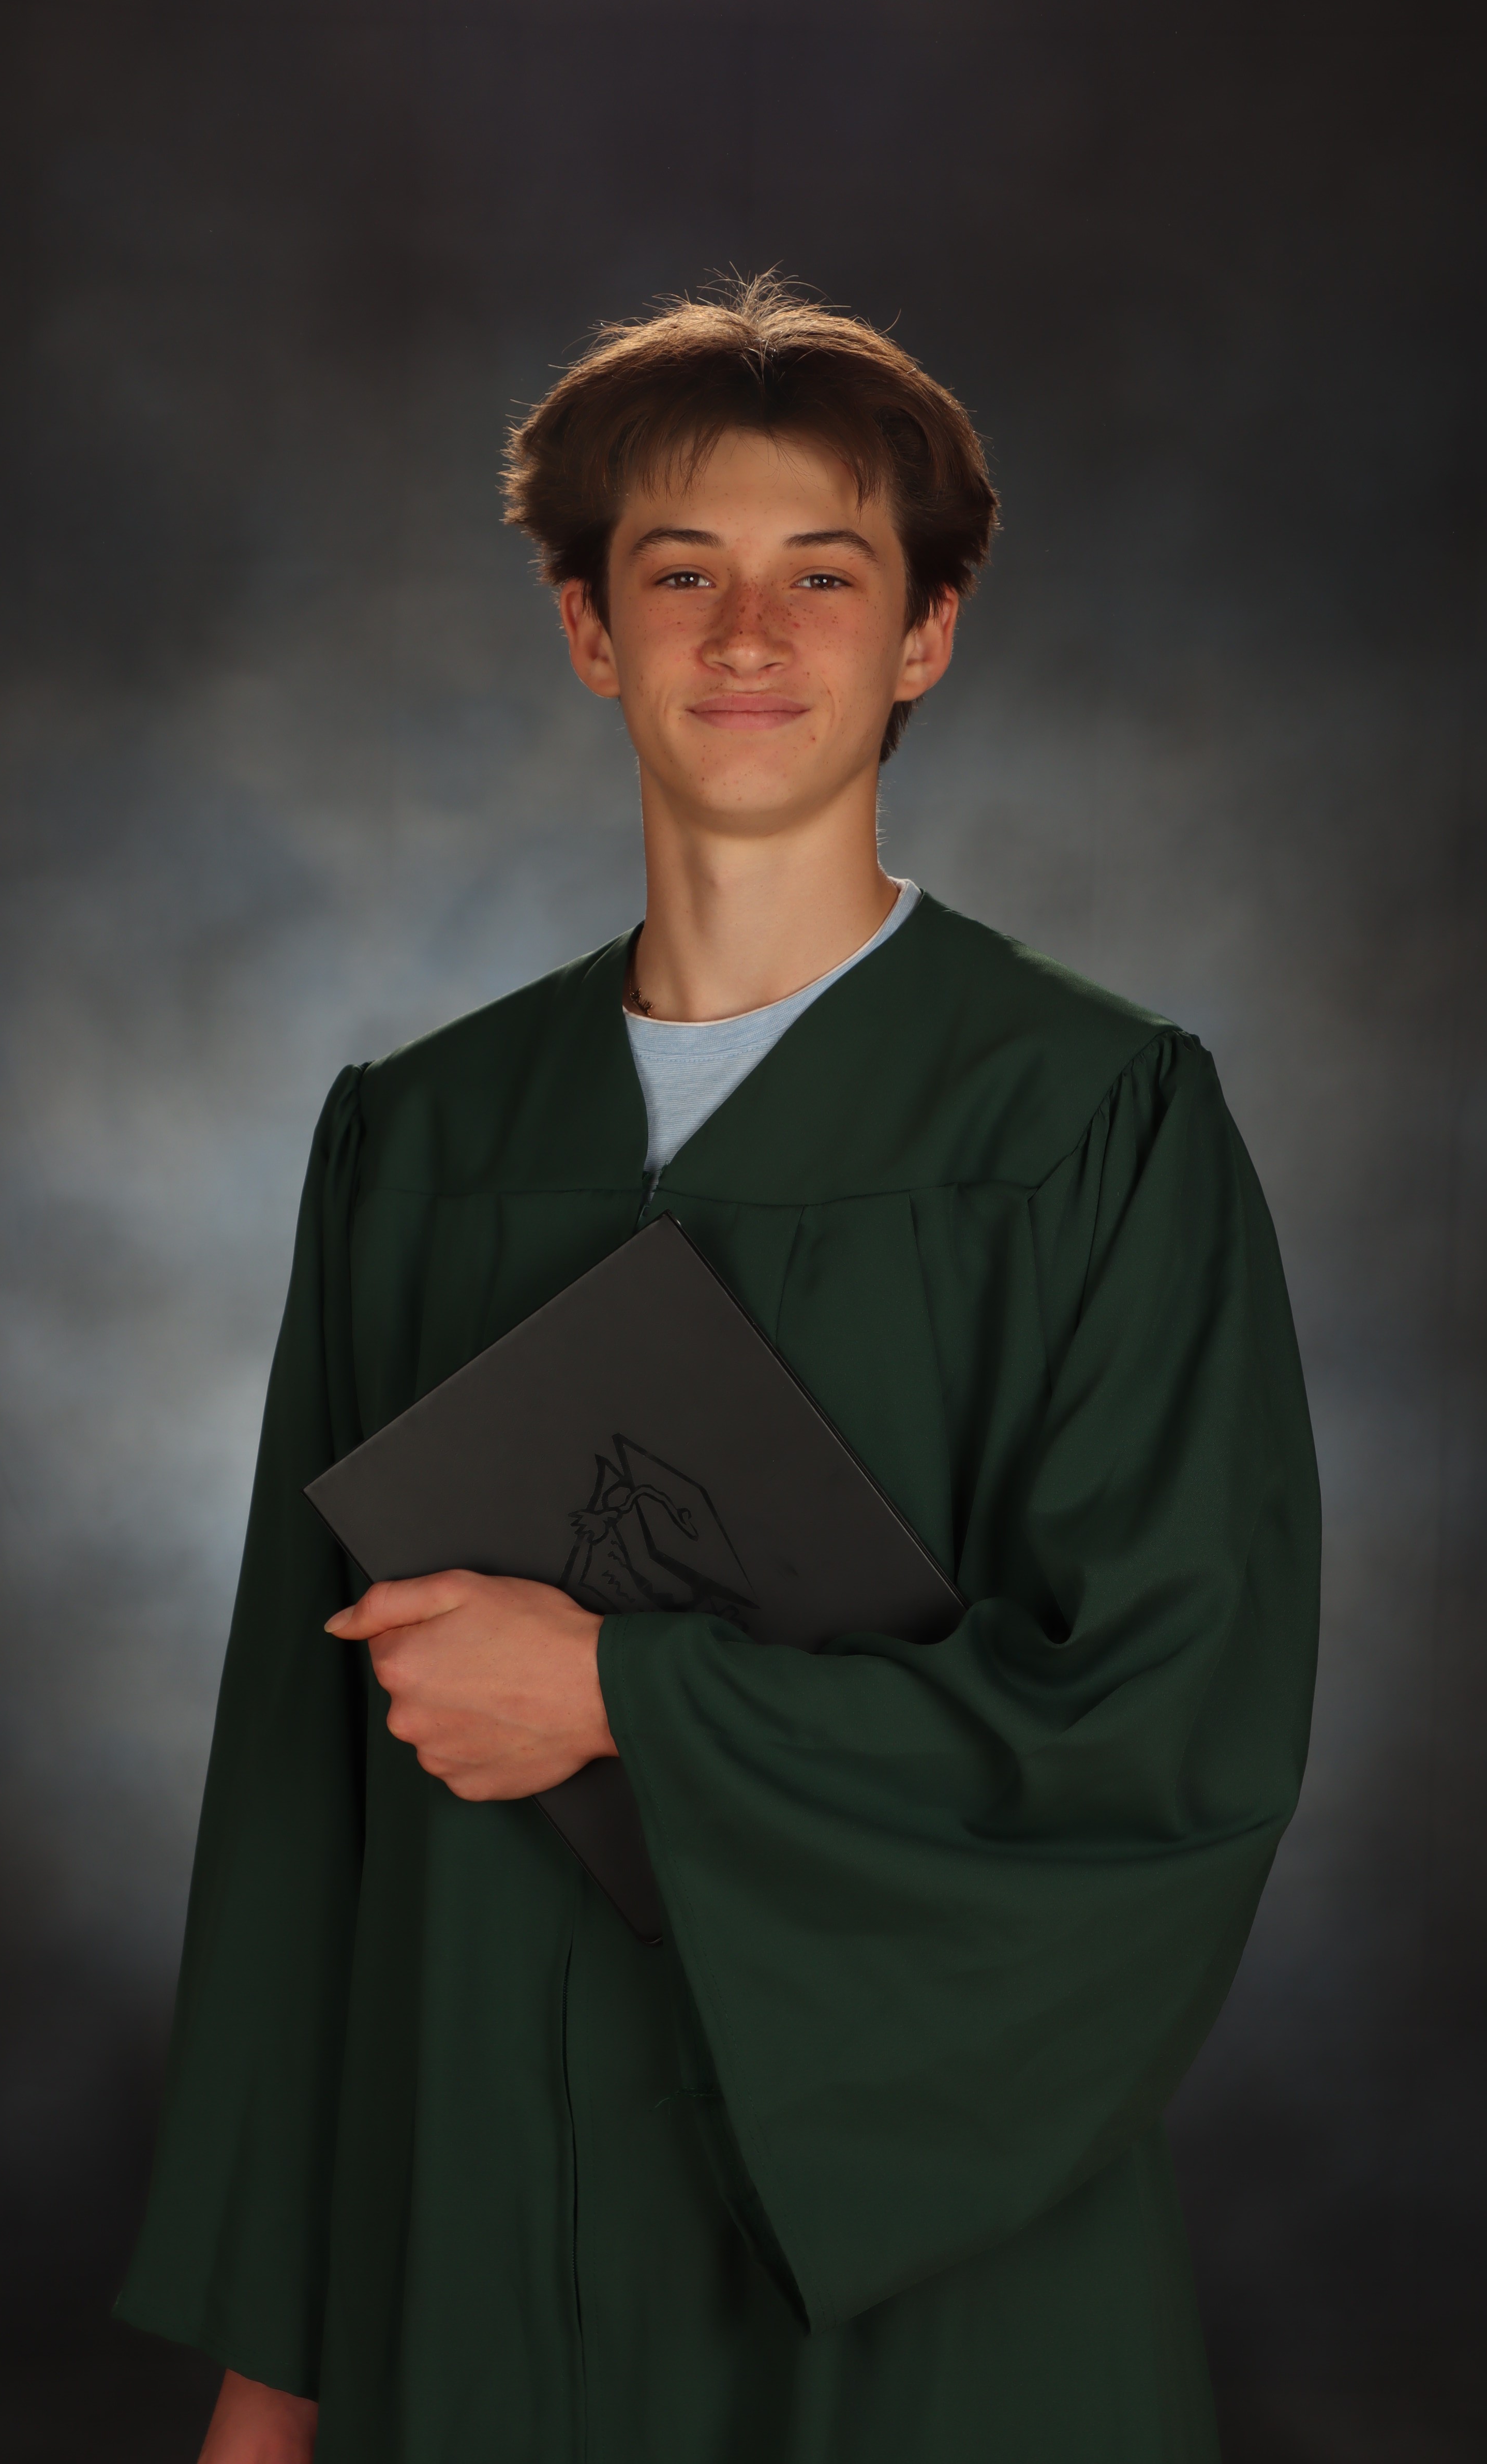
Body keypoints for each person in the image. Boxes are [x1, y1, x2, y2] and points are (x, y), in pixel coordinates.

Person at [117, 277, 1320, 2464]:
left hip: (915, 2298)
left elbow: (1161, 1734)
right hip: (477, 2229)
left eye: (822, 577)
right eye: (680, 574)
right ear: (590, 630)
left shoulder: (1088, 1119)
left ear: (924, 635)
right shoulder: (422, 1141)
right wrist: (270, 2379)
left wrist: (625, 1697)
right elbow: (304, 1798)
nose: (748, 634)